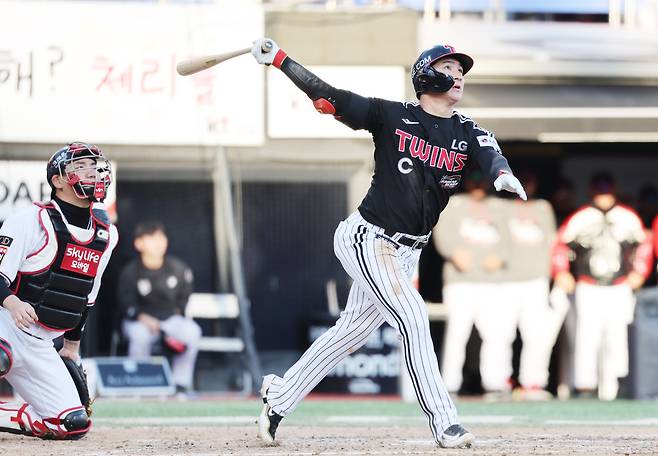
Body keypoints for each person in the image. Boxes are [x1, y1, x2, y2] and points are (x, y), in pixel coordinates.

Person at [250, 38, 527, 448]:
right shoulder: (392, 115)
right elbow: (330, 97)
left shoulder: (467, 129)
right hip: (368, 236)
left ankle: (279, 397)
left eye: (461, 71)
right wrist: (280, 60)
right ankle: (445, 423)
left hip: (408, 250)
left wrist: (501, 173)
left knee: (349, 333)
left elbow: (491, 152)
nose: (458, 76)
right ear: (426, 74)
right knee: (413, 314)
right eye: (449, 68)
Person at [0, 142, 116, 439]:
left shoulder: (106, 233)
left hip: (41, 342)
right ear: (58, 181)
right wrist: (11, 302)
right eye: (82, 166)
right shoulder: (28, 221)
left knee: (72, 424)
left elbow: (86, 296)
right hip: (6, 323)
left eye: (96, 165)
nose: (94, 171)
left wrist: (73, 345)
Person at [553, 172, 652, 400]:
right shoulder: (581, 217)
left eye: (607, 189)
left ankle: (619, 384)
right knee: (587, 335)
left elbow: (645, 246)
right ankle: (585, 385)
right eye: (599, 189)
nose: (604, 195)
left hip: (619, 285)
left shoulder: (628, 216)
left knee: (618, 335)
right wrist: (561, 273)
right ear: (591, 190)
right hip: (588, 285)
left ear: (614, 189)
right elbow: (559, 245)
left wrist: (639, 273)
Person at [433, 170, 510, 396]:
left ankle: (494, 382)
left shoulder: (499, 206)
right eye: (474, 180)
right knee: (458, 332)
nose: (478, 185)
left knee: (494, 333)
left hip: (491, 281)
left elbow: (508, 239)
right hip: (460, 281)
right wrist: (453, 252)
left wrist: (501, 257)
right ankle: (450, 384)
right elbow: (442, 234)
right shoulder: (454, 204)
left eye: (482, 181)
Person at [117, 221, 201, 394]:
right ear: (138, 243)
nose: (158, 243)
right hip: (139, 321)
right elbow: (126, 303)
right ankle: (140, 383)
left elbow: (183, 300)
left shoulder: (178, 268)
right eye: (151, 238)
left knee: (192, 331)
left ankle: (180, 384)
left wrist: (168, 322)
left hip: (169, 320)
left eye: (161, 238)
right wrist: (144, 319)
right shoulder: (130, 271)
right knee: (139, 335)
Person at [500, 170, 563, 400]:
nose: (526, 184)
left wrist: (555, 274)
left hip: (536, 279)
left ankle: (533, 382)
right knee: (501, 333)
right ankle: (498, 384)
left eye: (530, 180)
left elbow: (553, 243)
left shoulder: (542, 207)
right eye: (522, 180)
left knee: (536, 334)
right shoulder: (501, 208)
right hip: (506, 279)